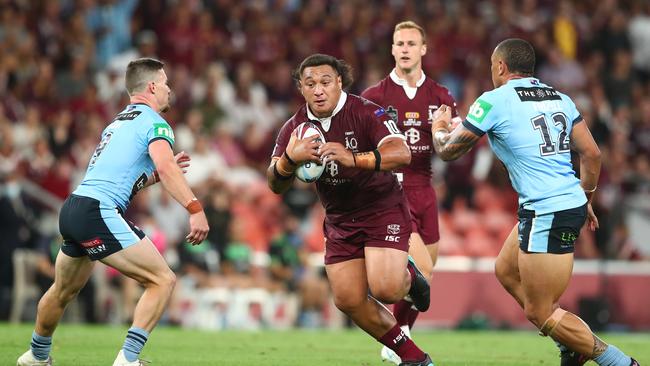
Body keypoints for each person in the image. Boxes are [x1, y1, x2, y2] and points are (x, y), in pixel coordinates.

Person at [430, 39, 639, 366]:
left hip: (548, 209)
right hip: (558, 203)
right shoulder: (560, 98)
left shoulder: (494, 100)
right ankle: (570, 344)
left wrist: (439, 127)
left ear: (500, 66)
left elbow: (448, 150)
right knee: (505, 270)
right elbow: (592, 154)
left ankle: (619, 362)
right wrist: (585, 198)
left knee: (540, 311)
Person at [17, 58, 210, 366]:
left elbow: (121, 178)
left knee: (62, 290)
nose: (169, 89)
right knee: (163, 280)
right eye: (166, 83)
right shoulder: (156, 123)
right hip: (98, 211)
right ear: (152, 87)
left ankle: (35, 356)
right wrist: (195, 207)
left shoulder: (118, 122)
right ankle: (128, 359)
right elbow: (164, 164)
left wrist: (157, 177)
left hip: (74, 207)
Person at [267, 53, 433, 366]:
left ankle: (409, 274)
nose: (318, 90)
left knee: (386, 289)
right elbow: (274, 184)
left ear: (339, 83)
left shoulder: (366, 111)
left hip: (381, 209)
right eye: (310, 83)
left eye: (325, 82)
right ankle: (415, 359)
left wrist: (355, 158)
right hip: (340, 219)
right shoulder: (295, 128)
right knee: (348, 299)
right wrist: (289, 160)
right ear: (301, 89)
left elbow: (402, 152)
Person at [361, 21, 461, 365]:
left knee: (423, 277)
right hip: (393, 192)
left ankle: (400, 334)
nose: (404, 48)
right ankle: (398, 339)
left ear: (423, 49)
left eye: (410, 43)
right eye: (398, 43)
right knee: (423, 272)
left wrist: (442, 134)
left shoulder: (441, 96)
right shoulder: (374, 96)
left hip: (426, 189)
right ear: (392, 49)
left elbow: (451, 148)